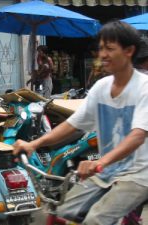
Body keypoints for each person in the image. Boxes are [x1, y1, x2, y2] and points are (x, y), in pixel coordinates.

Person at [13, 20, 148, 225]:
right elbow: (73, 124)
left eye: (110, 48)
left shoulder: (143, 88)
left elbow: (137, 136)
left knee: (95, 219)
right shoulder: (101, 88)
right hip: (107, 172)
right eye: (101, 48)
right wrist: (34, 144)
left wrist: (100, 162)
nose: (103, 55)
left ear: (129, 51)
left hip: (138, 174)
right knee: (61, 213)